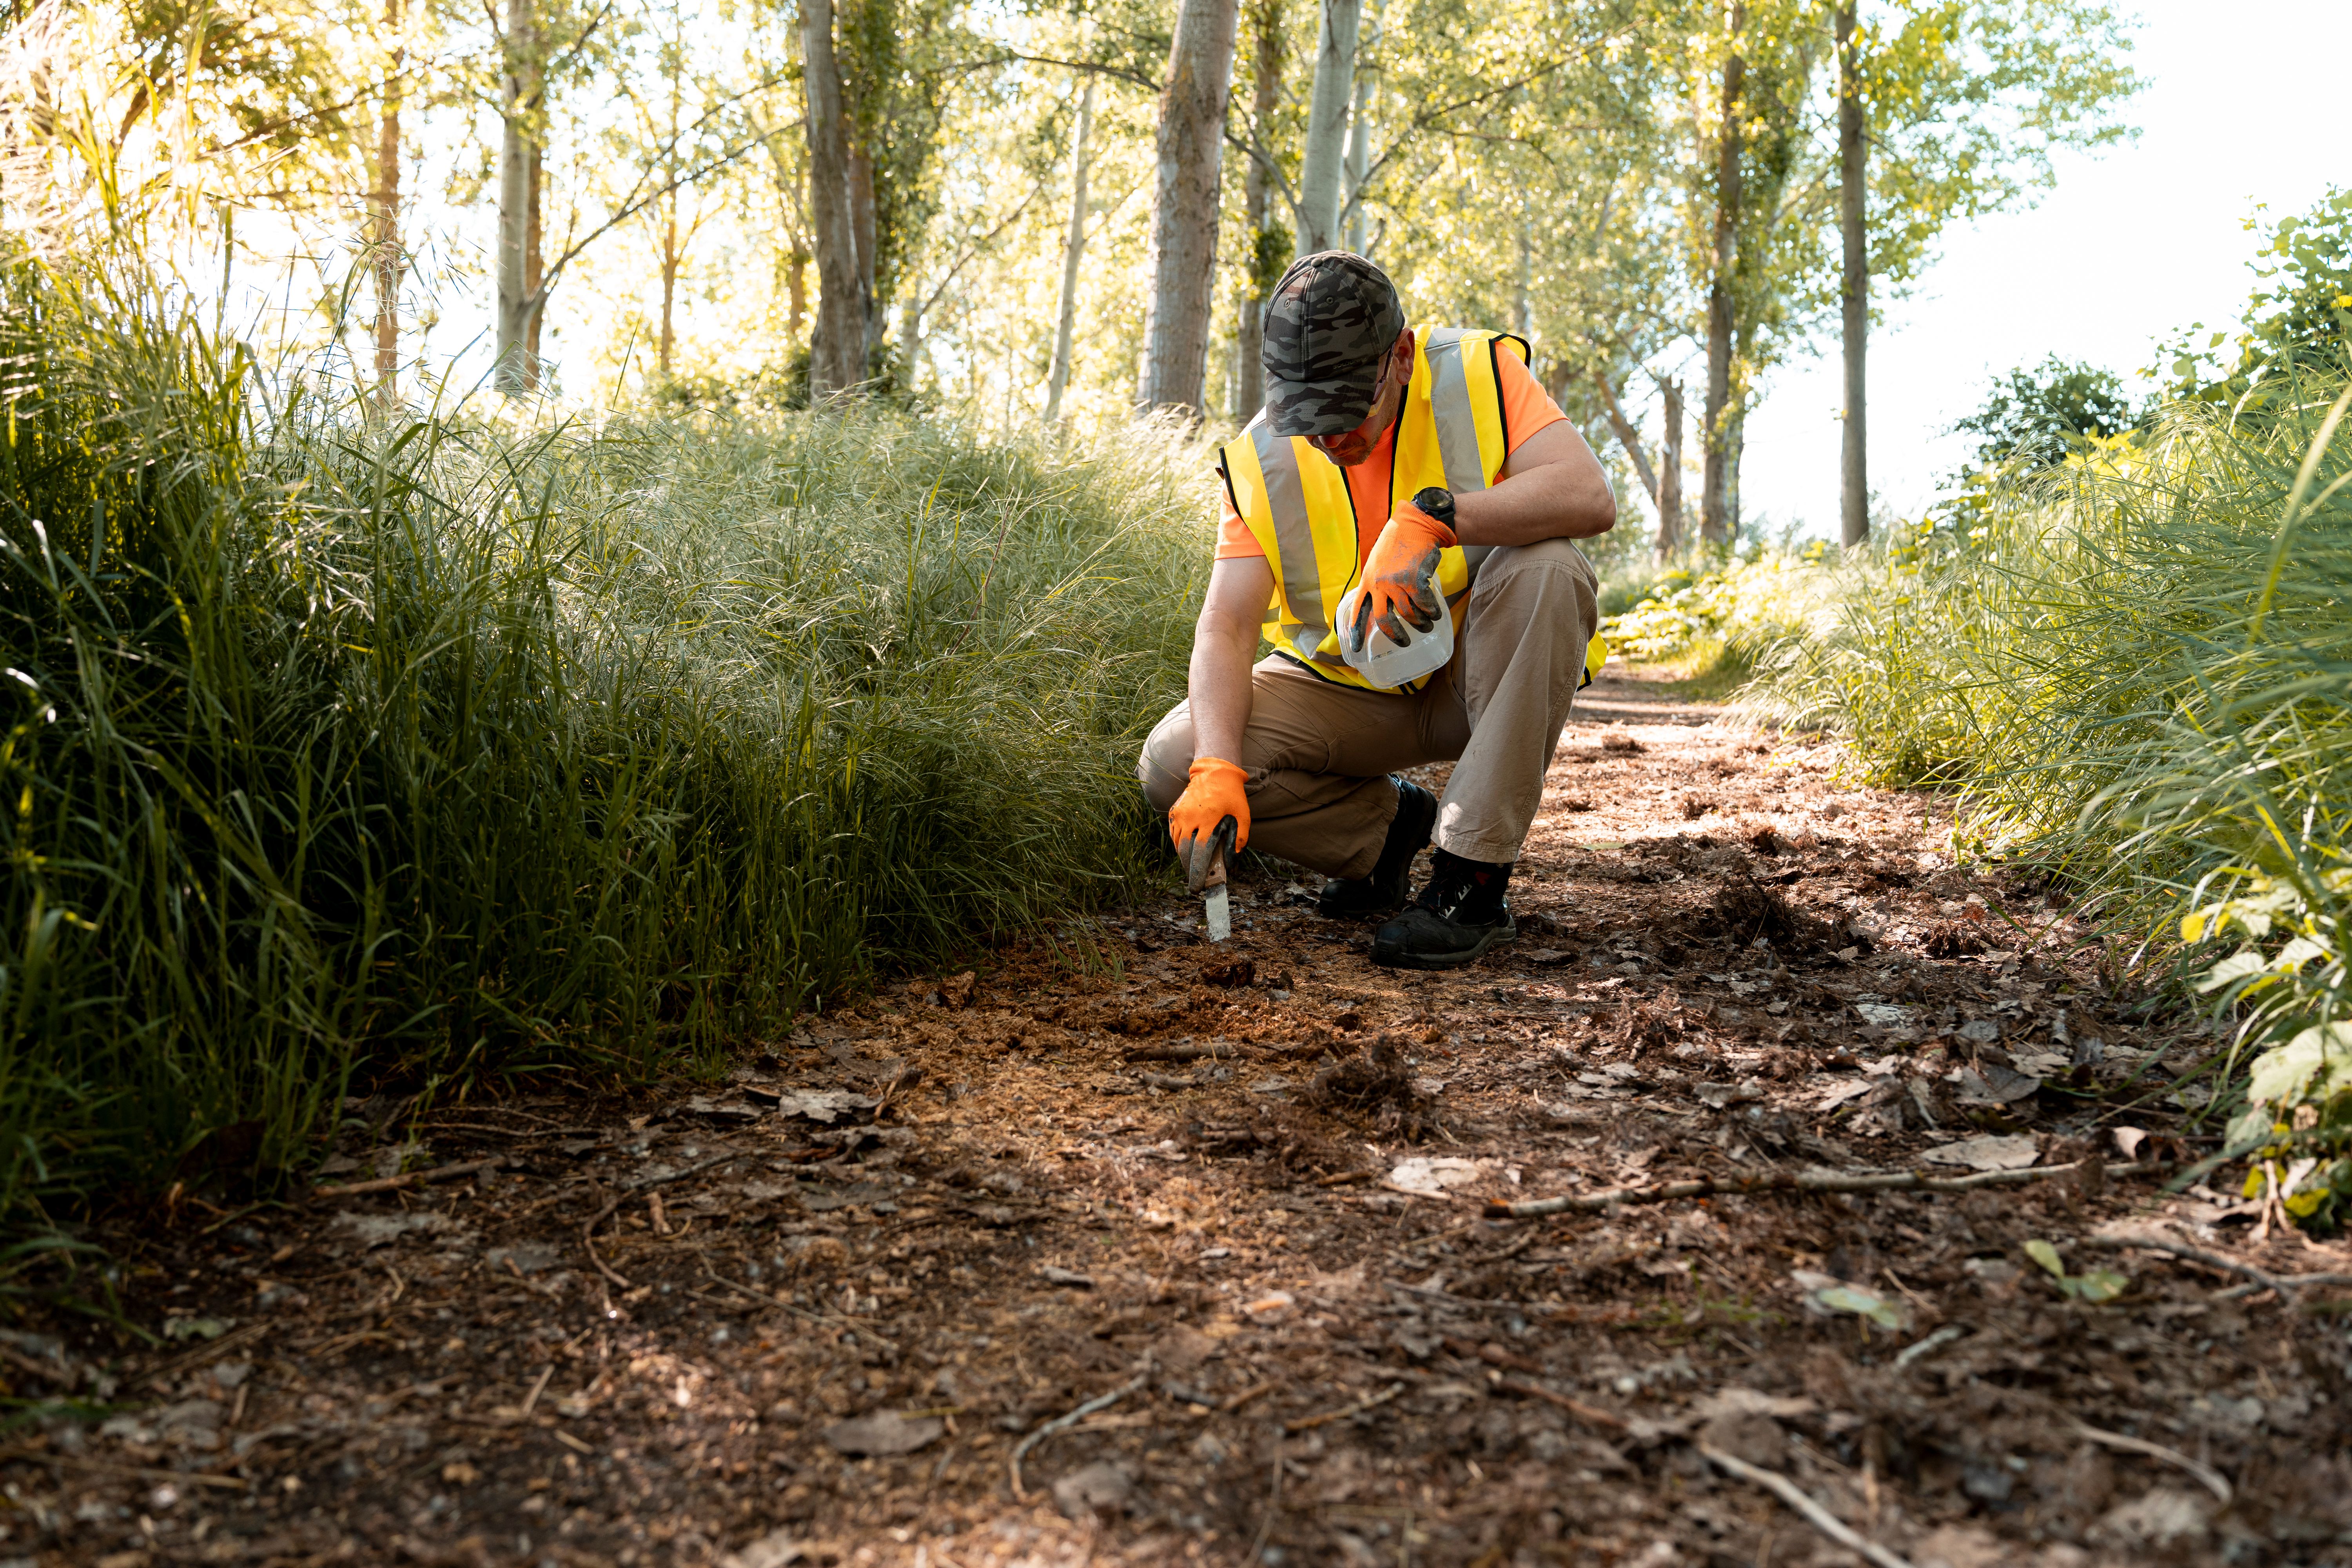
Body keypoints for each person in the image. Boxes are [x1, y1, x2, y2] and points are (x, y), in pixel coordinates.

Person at [1138, 251, 1617, 969]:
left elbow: (1589, 495)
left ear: (1401, 356)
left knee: (1550, 566)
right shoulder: (1260, 460)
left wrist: (1434, 519)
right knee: (1173, 761)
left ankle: (1471, 881)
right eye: (1311, 420)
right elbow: (1227, 626)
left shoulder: (1478, 375)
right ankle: (1389, 835)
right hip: (1345, 692)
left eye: (1345, 413)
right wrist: (1216, 765)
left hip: (1473, 677)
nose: (1331, 440)